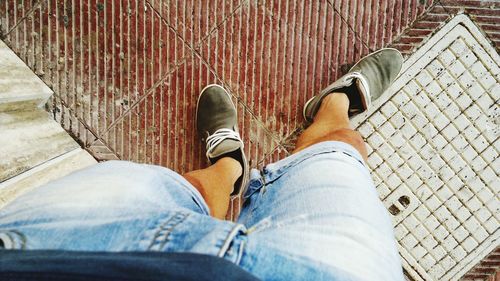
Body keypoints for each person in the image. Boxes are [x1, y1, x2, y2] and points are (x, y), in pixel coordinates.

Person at [0, 48, 405, 280]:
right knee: (342, 153)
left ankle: (229, 167)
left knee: (181, 190)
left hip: (67, 254)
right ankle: (335, 109)